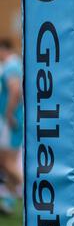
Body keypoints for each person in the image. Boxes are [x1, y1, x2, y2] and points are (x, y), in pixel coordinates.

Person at [0, 39, 23, 215]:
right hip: (13, 119)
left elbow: (15, 90)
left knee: (6, 162)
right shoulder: (13, 64)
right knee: (8, 162)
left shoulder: (11, 65)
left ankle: (30, 192)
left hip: (11, 120)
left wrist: (8, 114)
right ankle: (8, 202)